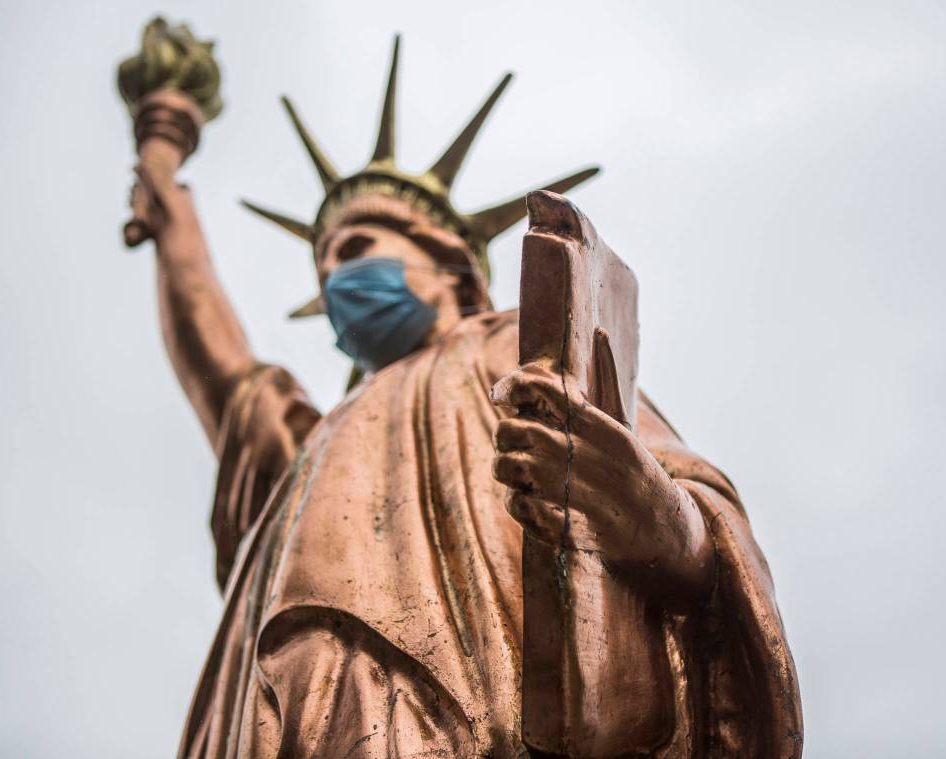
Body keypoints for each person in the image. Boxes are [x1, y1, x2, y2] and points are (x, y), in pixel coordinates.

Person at [126, 37, 802, 759]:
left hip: (467, 713)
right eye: (324, 273)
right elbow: (223, 368)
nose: (335, 286)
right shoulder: (316, 441)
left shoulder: (509, 346)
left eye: (355, 249)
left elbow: (690, 501)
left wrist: (655, 518)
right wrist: (167, 194)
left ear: (451, 264)